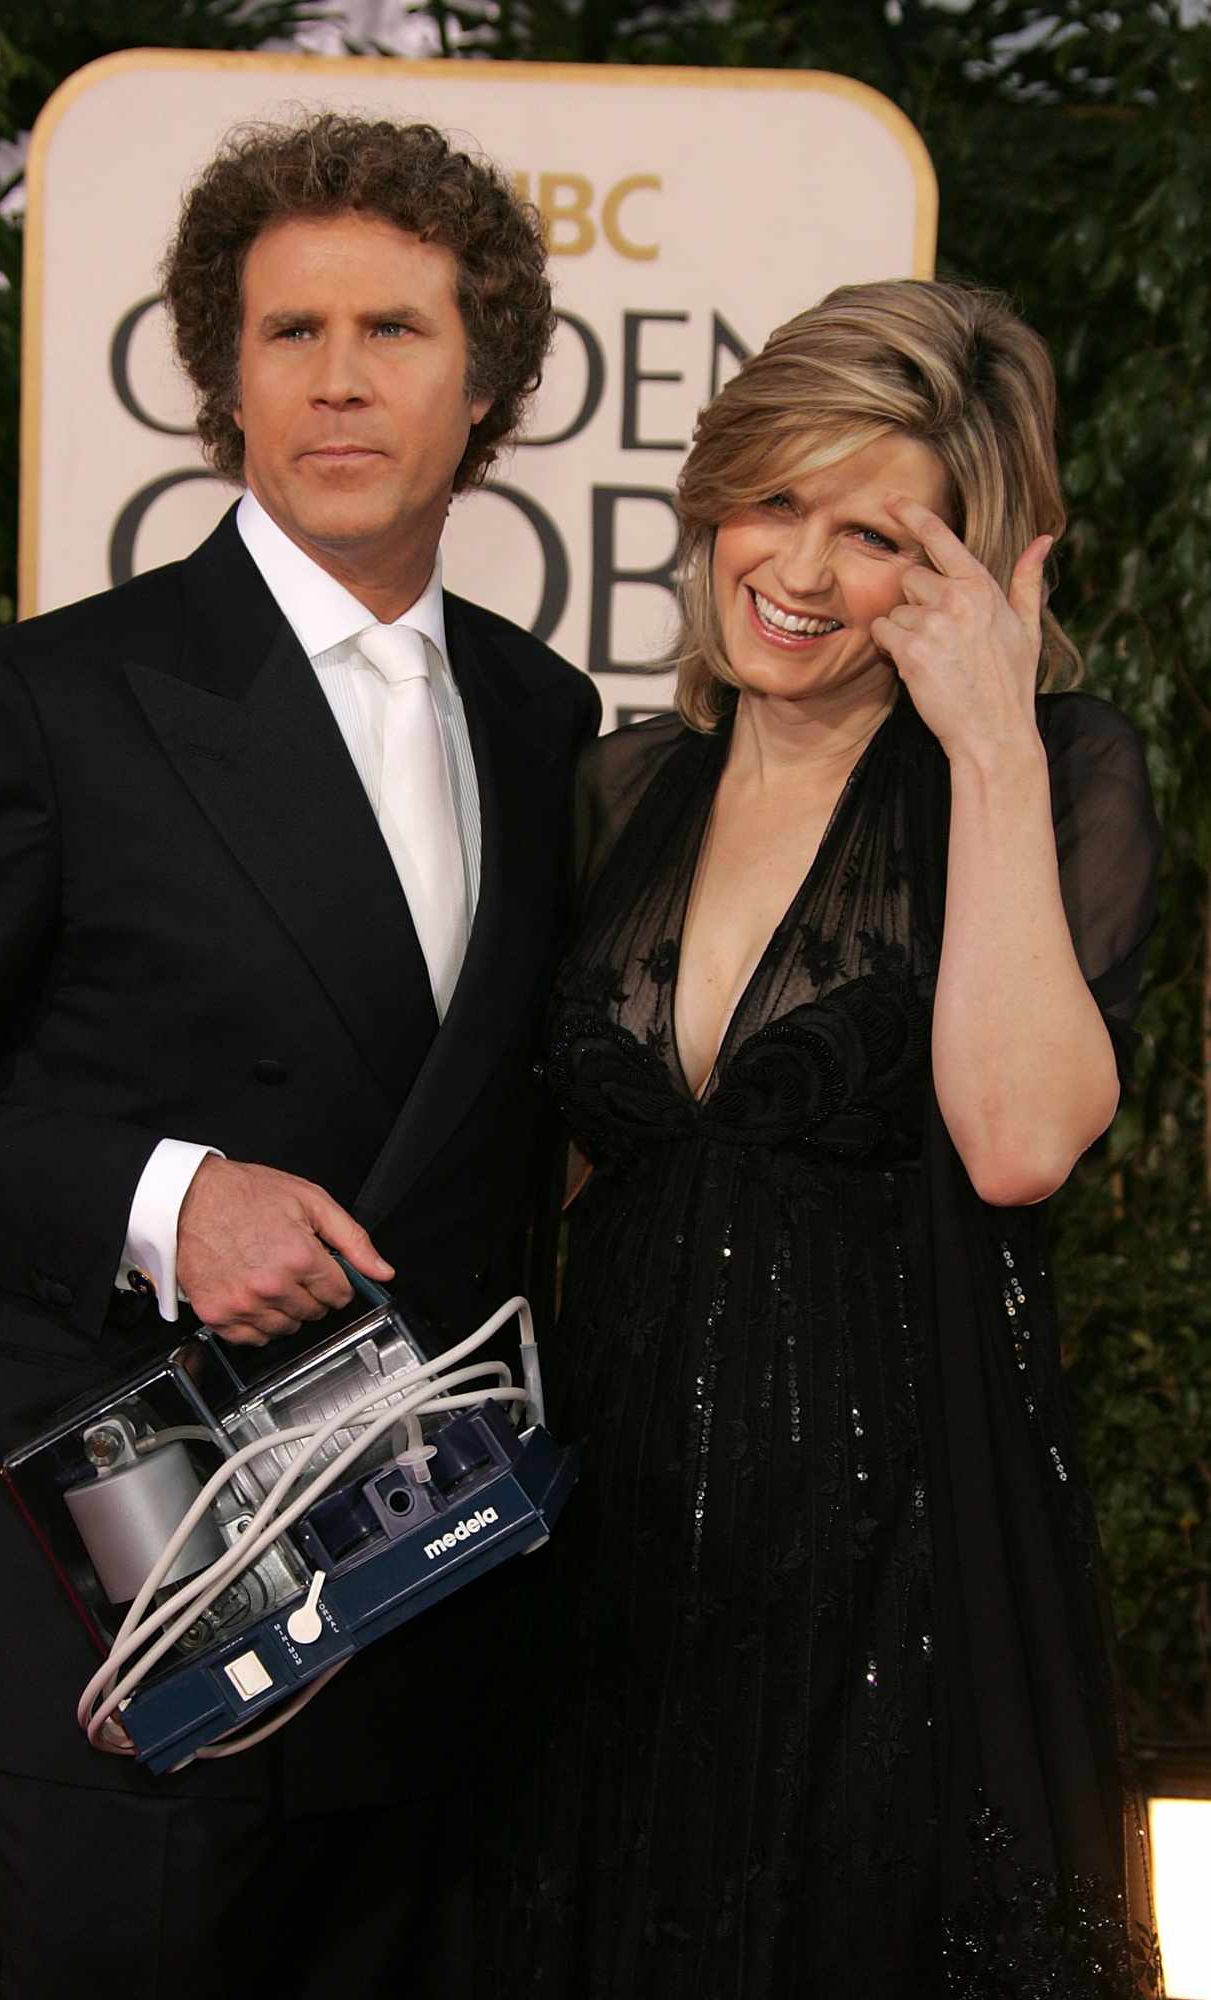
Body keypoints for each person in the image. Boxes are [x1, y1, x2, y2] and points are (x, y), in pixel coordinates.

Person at [0, 112, 599, 1998]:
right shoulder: (50, 700)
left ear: (483, 376)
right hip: (132, 1596)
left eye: (396, 331)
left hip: (431, 1578)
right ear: (220, 374)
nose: (340, 381)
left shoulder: (543, 707)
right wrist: (166, 1203)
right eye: (288, 333)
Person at [490, 281, 1164, 1998]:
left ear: (976, 566)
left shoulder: (1051, 776)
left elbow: (1018, 1144)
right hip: (610, 1565)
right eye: (771, 497)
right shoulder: (620, 786)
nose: (792, 569)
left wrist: (992, 740)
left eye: (871, 533)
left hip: (905, 1576)